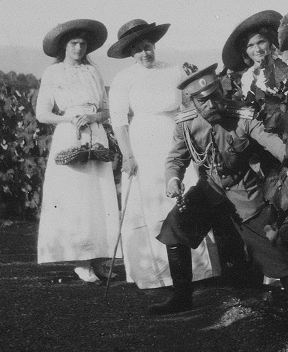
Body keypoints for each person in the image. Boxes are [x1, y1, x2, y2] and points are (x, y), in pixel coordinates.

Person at [149, 64, 288, 324]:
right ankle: (181, 297)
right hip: (209, 191)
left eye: (215, 96)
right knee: (174, 229)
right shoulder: (186, 124)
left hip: (243, 193)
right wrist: (173, 180)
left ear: (221, 92)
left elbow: (271, 142)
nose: (212, 105)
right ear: (193, 101)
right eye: (203, 101)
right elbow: (175, 159)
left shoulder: (243, 117)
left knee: (273, 252)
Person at [107, 19, 218, 289]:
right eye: (138, 49)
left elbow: (190, 104)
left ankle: (199, 271)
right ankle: (154, 273)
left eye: (148, 46)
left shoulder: (175, 71)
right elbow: (119, 121)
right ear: (130, 54)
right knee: (151, 201)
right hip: (143, 142)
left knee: (186, 194)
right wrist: (128, 156)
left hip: (176, 138)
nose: (145, 53)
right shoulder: (124, 79)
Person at [36, 19, 121, 283]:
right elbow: (42, 114)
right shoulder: (54, 73)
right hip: (69, 136)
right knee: (76, 197)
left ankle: (99, 257)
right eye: (74, 43)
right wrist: (69, 118)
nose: (79, 48)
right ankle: (81, 260)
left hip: (96, 134)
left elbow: (107, 109)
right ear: (64, 46)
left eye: (83, 43)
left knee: (99, 195)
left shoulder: (93, 72)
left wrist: (94, 117)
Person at [221, 9, 288, 105]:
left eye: (261, 42)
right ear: (245, 51)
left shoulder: (286, 67)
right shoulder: (248, 78)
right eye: (250, 46)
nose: (257, 49)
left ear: (269, 42)